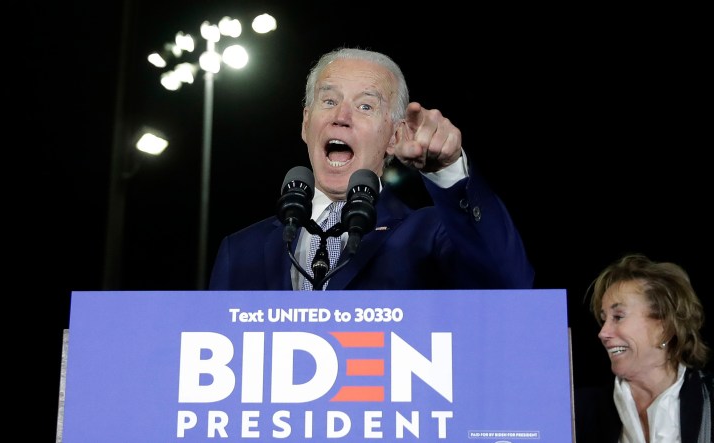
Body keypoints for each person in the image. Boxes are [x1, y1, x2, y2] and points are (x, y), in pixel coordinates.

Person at [208, 47, 534, 291]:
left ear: (394, 137)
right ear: (306, 124)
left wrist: (448, 169)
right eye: (329, 101)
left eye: (366, 106)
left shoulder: (429, 235)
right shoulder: (240, 250)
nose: (342, 116)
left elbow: (510, 286)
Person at [575, 253, 713, 443]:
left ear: (664, 327)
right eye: (603, 319)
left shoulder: (709, 399)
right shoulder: (578, 411)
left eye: (618, 316)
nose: (602, 333)